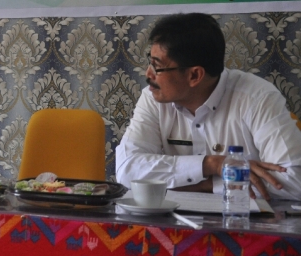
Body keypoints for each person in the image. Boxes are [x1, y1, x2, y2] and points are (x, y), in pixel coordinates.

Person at [115, 13, 301, 200]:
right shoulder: (153, 97)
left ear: (195, 75)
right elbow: (127, 169)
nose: (148, 74)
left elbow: (295, 180)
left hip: (240, 214)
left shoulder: (258, 98)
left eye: (157, 67)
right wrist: (212, 164)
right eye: (150, 62)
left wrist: (207, 184)